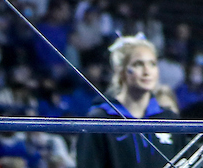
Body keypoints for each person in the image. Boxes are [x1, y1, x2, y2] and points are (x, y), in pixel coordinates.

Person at [76, 35, 183, 168]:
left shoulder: (169, 118)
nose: (147, 71)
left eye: (152, 64)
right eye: (138, 64)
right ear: (120, 70)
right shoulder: (99, 119)